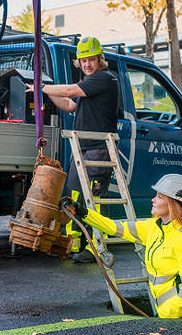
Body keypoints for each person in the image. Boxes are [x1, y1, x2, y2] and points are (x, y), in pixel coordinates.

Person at [65, 174, 182, 318]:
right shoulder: (153, 227)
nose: (153, 199)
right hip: (166, 315)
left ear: (173, 203)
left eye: (159, 196)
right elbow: (112, 227)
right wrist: (82, 212)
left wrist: (163, 316)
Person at [27, 37, 119, 263]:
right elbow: (69, 104)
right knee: (75, 197)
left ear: (100, 60)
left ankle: (98, 247)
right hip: (82, 148)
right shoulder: (89, 85)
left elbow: (69, 91)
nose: (87, 64)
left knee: (96, 200)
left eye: (91, 60)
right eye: (83, 60)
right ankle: (73, 243)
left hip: (98, 150)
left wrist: (41, 86)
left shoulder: (104, 79)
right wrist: (46, 93)